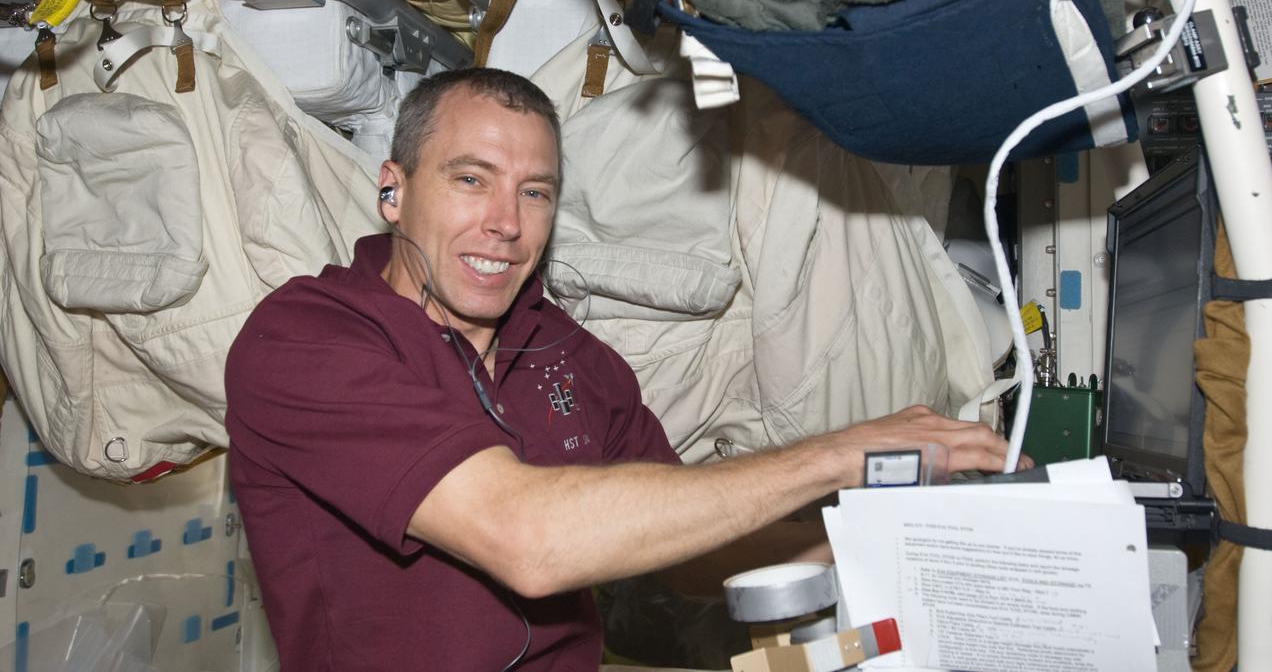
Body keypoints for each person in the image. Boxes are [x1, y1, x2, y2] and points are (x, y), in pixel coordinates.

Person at [225, 67, 1022, 672]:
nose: (505, 223)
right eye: (471, 180)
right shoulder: (308, 340)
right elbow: (526, 538)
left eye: (536, 193)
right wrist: (839, 454)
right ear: (393, 191)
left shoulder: (573, 357)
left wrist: (892, 533)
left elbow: (694, 561)